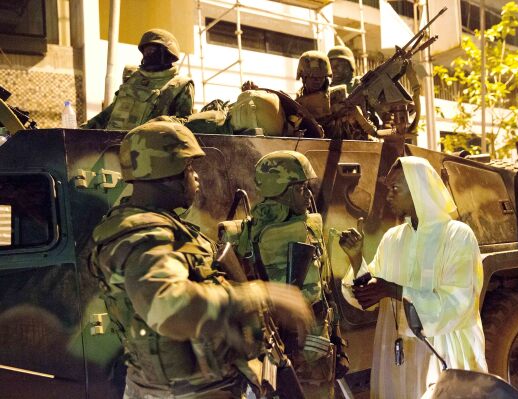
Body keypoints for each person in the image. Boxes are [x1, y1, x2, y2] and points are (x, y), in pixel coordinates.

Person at [90, 120, 313, 398]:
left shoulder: (158, 225)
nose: (195, 177)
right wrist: (260, 295)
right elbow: (167, 306)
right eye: (190, 169)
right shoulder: (142, 232)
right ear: (171, 173)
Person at [339, 156, 487, 399]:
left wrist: (394, 290)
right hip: (398, 355)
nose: (388, 196)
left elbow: (459, 303)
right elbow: (368, 297)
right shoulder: (393, 238)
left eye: (395, 189)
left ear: (419, 190)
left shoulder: (457, 236)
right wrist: (356, 259)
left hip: (442, 352)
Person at [220, 150, 348, 398]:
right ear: (283, 190)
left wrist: (339, 342)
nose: (309, 195)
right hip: (287, 351)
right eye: (301, 188)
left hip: (303, 349)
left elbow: (324, 286)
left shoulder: (308, 226)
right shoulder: (246, 235)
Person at [83, 29, 194, 130]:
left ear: (167, 52)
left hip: (148, 148)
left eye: (152, 50)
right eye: (145, 50)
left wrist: (161, 122)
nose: (147, 54)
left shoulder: (181, 84)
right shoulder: (131, 76)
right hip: (111, 143)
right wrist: (83, 129)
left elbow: (185, 123)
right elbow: (111, 112)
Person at [295, 50, 375, 140]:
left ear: (326, 77)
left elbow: (363, 133)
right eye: (311, 76)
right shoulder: (298, 103)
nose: (316, 80)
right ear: (303, 77)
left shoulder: (338, 98)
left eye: (321, 77)